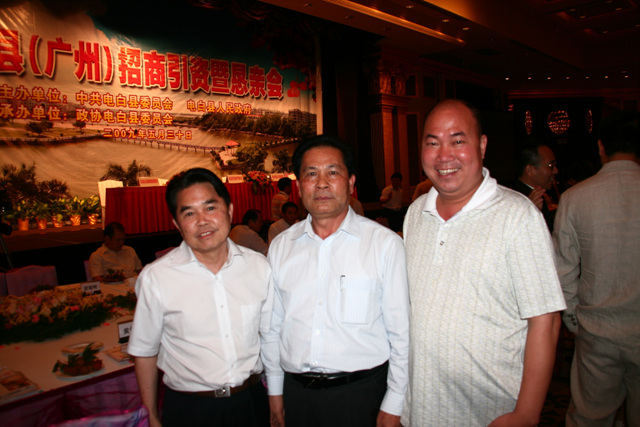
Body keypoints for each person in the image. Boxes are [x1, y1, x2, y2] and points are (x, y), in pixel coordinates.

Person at [402, 100, 566, 426]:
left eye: (457, 141)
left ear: (482, 145)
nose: (443, 155)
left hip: (490, 412)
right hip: (419, 407)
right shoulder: (416, 212)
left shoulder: (517, 216)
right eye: (432, 143)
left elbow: (545, 321)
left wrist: (526, 413)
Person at [261, 135, 410, 427]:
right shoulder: (281, 247)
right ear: (299, 186)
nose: (321, 183)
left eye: (332, 172)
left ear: (351, 183)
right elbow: (272, 327)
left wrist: (395, 402)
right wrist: (276, 392)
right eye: (311, 174)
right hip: (296, 395)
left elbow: (401, 334)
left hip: (361, 396)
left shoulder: (384, 244)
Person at [128, 168, 272, 427]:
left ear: (229, 210)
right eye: (189, 213)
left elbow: (271, 336)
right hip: (190, 409)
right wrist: (151, 415)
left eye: (210, 208)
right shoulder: (157, 277)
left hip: (251, 401)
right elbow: (144, 352)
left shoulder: (258, 267)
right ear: (176, 223)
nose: (202, 221)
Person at [553, 111, 640, 427]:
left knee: (589, 418)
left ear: (601, 147)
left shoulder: (575, 197)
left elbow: (563, 271)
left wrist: (574, 320)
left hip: (596, 330)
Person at [511, 140, 559, 231]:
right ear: (530, 170)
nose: (556, 171)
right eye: (551, 166)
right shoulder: (517, 200)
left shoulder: (536, 194)